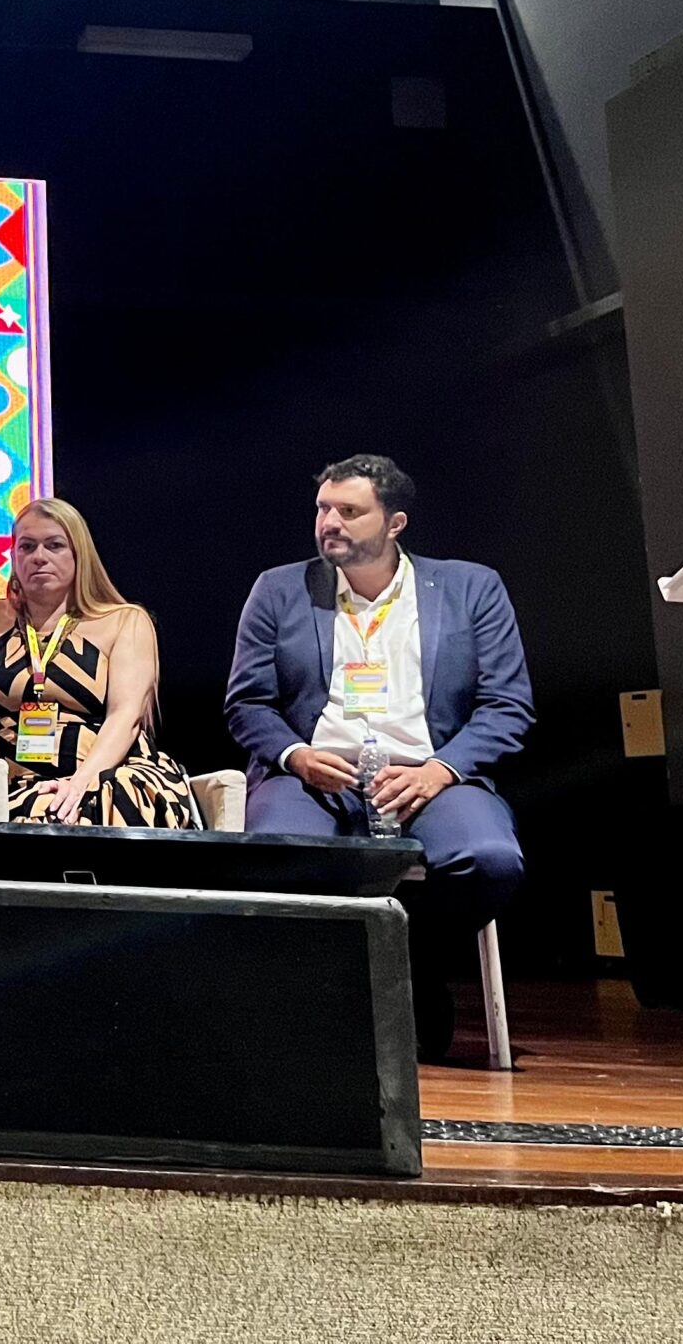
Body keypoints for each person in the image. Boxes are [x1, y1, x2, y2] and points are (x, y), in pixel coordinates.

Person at [225, 453, 532, 1058]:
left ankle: (412, 967)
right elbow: (247, 704)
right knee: (278, 859)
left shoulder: (471, 587)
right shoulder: (280, 589)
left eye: (349, 510)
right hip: (316, 776)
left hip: (429, 774)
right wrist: (295, 755)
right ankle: (334, 993)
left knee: (489, 858)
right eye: (322, 509)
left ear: (395, 523)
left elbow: (507, 705)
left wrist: (440, 770)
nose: (329, 522)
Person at [0, 498, 198, 827]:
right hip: (18, 778)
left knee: (107, 799)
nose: (39, 557)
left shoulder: (124, 621)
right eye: (26, 547)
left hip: (113, 771)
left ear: (79, 554)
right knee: (35, 810)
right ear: (13, 556)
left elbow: (126, 715)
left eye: (54, 545)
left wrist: (81, 782)